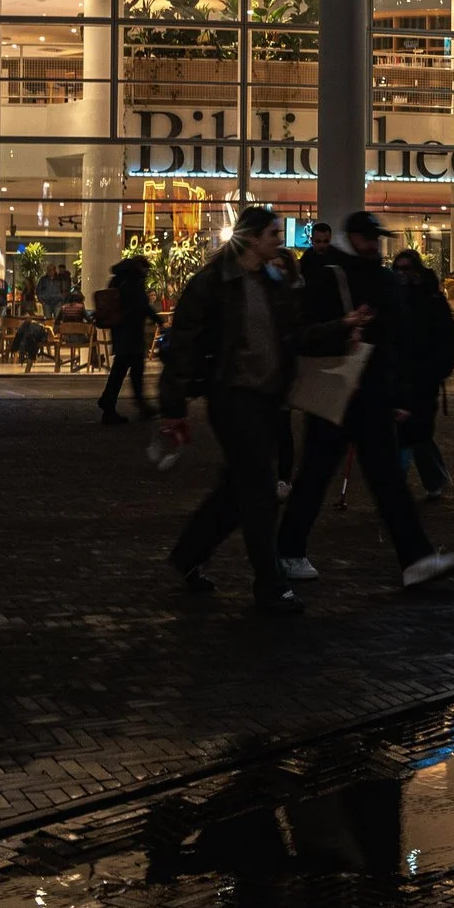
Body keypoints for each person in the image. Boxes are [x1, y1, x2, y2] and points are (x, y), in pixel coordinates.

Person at [159, 206, 362, 612]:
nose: (279, 241)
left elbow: (294, 335)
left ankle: (188, 554)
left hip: (267, 399)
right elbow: (182, 343)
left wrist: (341, 326)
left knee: (237, 491)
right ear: (251, 239)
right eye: (273, 233)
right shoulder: (213, 283)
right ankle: (270, 585)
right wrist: (173, 405)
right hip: (232, 397)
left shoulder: (273, 280)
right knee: (258, 492)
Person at [277, 212, 454, 588]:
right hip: (353, 387)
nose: (373, 244)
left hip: (360, 390)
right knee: (350, 476)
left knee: (364, 477)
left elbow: (395, 340)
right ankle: (412, 559)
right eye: (367, 237)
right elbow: (312, 333)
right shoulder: (347, 278)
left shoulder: (360, 278)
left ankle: (413, 558)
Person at [388, 246, 454, 501]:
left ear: (416, 271)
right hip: (399, 375)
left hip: (422, 375)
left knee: (414, 430)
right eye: (397, 269)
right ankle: (430, 479)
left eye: (406, 269)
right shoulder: (392, 300)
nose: (401, 274)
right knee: (412, 431)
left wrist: (439, 368)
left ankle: (398, 483)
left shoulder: (430, 300)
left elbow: (447, 336)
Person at [95, 255, 159, 423]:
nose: (147, 273)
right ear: (140, 268)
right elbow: (142, 305)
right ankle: (113, 403)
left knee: (123, 369)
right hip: (131, 333)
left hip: (120, 331)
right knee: (131, 370)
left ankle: (115, 403)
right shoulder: (134, 281)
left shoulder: (117, 280)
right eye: (146, 269)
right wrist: (159, 320)